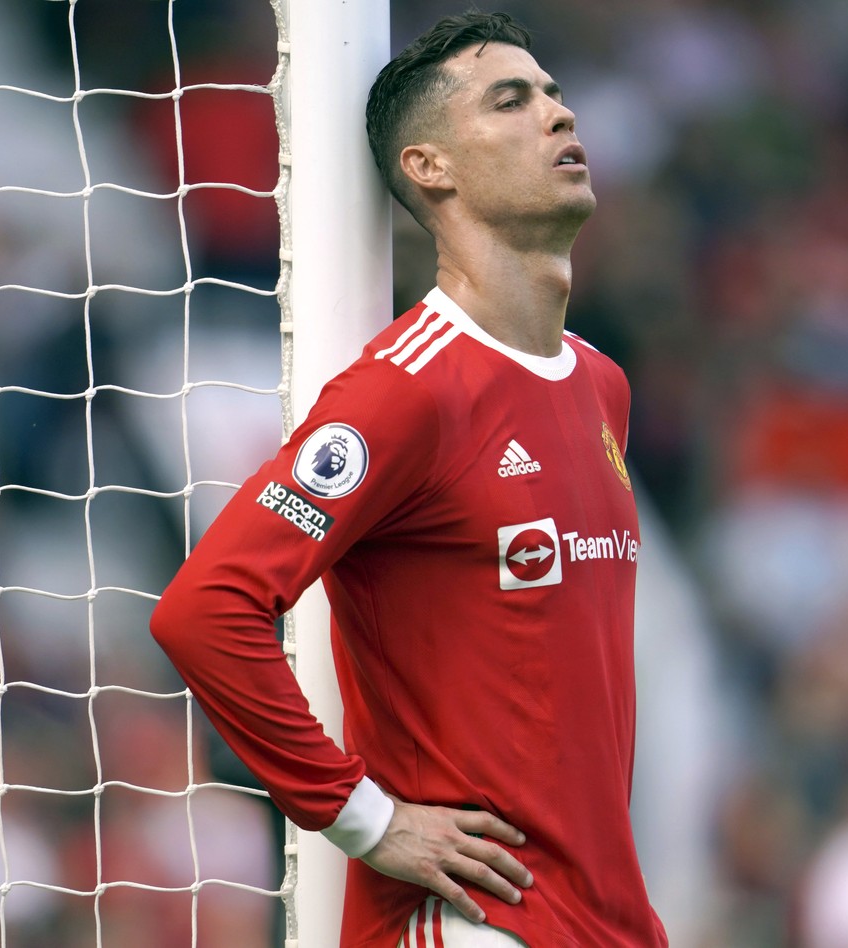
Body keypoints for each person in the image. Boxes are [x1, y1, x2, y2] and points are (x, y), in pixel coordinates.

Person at [151, 12, 668, 946]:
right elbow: (205, 608)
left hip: (601, 917)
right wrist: (365, 820)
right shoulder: (408, 391)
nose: (556, 114)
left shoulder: (601, 385)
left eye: (552, 92)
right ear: (431, 167)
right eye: (512, 100)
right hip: (468, 922)